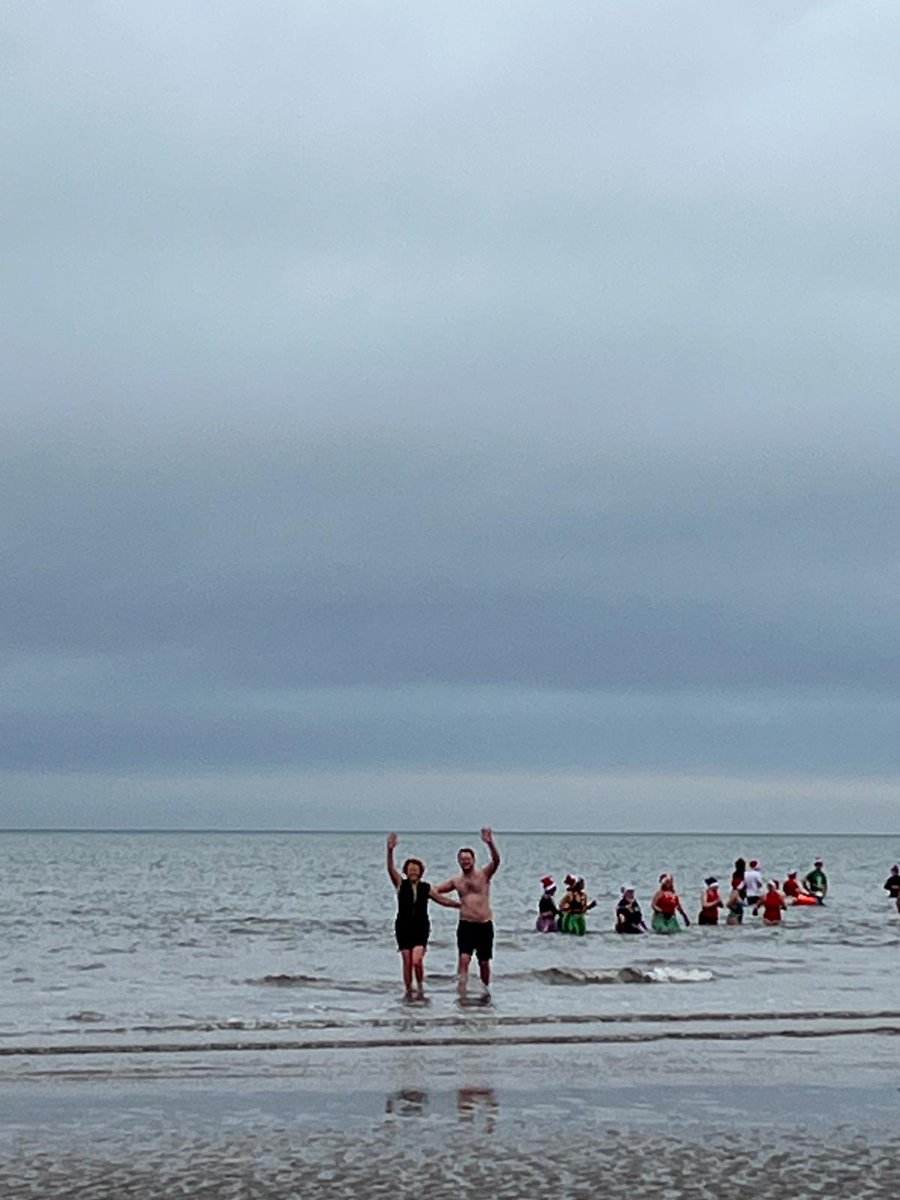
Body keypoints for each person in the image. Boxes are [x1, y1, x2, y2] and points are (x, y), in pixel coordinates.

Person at [386, 833, 461, 999]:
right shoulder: (401, 884)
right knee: (406, 961)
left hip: (421, 927)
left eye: (416, 869)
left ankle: (420, 985)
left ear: (420, 872)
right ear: (406, 871)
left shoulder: (425, 888)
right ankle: (409, 991)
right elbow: (390, 869)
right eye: (410, 869)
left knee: (416, 960)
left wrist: (459, 905)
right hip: (403, 927)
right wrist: (390, 850)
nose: (413, 871)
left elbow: (442, 900)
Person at [434, 828, 501, 994]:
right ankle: (461, 991)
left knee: (484, 962)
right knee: (464, 959)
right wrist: (450, 903)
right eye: (462, 859)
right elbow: (434, 891)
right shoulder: (457, 881)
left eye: (467, 859)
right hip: (466, 925)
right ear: (459, 861)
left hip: (484, 924)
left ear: (473, 860)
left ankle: (486, 990)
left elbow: (497, 861)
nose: (465, 862)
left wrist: (490, 843)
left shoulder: (483, 875)